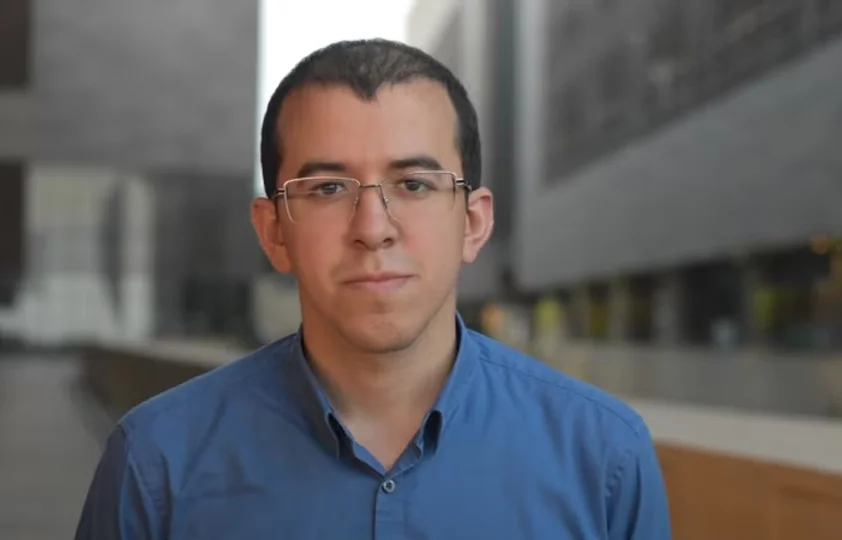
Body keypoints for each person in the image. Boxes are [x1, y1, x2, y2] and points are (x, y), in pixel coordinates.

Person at [75, 39, 671, 539]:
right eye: (328, 189)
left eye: (413, 184)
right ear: (274, 231)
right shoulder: (155, 463)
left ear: (473, 223)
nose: (372, 228)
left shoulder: (604, 458)